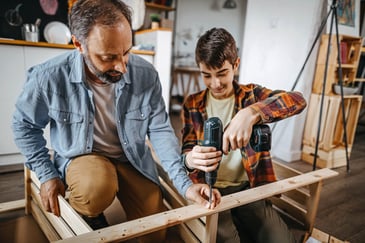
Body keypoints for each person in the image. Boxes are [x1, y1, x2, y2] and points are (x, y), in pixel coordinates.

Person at [12, 0, 220, 242]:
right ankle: (92, 214)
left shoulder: (146, 74)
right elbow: (24, 125)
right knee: (95, 190)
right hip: (84, 158)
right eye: (109, 57)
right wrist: (47, 174)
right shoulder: (48, 77)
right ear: (79, 44)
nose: (122, 66)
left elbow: (161, 130)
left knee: (154, 234)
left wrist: (185, 185)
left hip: (131, 159)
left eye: (127, 52)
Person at [180, 27, 307, 243]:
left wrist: (252, 113)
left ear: (235, 65)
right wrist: (191, 160)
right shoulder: (192, 103)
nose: (215, 83)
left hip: (249, 187)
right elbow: (186, 153)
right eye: (206, 75)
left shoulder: (251, 96)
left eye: (222, 73)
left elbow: (297, 100)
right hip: (209, 190)